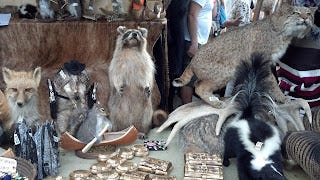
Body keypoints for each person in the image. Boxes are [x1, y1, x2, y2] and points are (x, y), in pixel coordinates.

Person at [180, 0, 217, 104]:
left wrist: (215, 3)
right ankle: (186, 110)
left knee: (194, 77)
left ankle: (189, 107)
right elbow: (192, 15)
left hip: (200, 40)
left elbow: (212, 15)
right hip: (193, 40)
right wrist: (194, 43)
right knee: (188, 79)